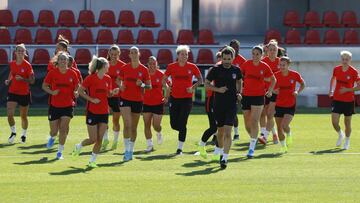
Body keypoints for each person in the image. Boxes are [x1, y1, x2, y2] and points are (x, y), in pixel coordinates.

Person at [72, 56, 119, 168]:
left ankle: (92, 161)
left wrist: (113, 92)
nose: (109, 66)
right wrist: (91, 99)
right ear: (103, 66)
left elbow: (107, 94)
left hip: (104, 112)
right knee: (92, 139)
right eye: (107, 64)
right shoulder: (90, 78)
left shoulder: (108, 79)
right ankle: (79, 146)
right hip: (92, 111)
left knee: (100, 139)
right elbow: (80, 91)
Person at [205, 46, 242, 169]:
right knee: (220, 133)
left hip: (231, 105)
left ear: (233, 58)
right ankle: (221, 153)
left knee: (227, 132)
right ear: (221, 58)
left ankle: (225, 158)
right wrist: (218, 89)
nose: (226, 61)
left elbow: (239, 81)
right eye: (224, 58)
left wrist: (239, 93)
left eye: (229, 59)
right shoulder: (215, 70)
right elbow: (206, 84)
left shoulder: (236, 70)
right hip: (218, 105)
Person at [163, 45, 203, 155]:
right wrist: (168, 86)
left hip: (187, 99)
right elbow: (164, 79)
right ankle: (182, 131)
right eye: (182, 54)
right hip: (174, 98)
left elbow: (200, 80)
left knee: (183, 123)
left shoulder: (192, 67)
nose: (185, 56)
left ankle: (179, 148)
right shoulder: (171, 66)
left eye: (186, 54)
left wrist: (193, 87)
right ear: (178, 55)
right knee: (174, 125)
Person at [42, 52, 79, 159]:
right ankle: (52, 137)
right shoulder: (52, 73)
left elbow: (77, 86)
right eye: (61, 59)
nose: (63, 61)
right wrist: (52, 92)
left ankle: (60, 152)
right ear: (58, 61)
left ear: (68, 61)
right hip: (54, 105)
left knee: (63, 129)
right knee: (54, 131)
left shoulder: (73, 73)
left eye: (65, 59)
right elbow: (44, 86)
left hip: (68, 105)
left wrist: (76, 92)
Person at [241, 46, 276, 158]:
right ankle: (254, 138)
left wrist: (270, 90)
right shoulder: (246, 64)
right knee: (247, 123)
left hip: (258, 96)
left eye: (257, 54)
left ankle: (251, 148)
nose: (255, 56)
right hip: (246, 96)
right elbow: (239, 76)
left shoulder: (264, 66)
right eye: (253, 54)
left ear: (261, 55)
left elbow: (273, 79)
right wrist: (239, 88)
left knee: (254, 120)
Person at [119, 46, 151, 161]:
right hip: (125, 98)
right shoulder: (124, 68)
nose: (133, 54)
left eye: (135, 52)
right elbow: (118, 80)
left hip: (137, 100)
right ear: (129, 55)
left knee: (133, 127)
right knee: (127, 124)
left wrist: (141, 84)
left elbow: (149, 86)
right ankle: (126, 150)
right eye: (131, 53)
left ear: (139, 54)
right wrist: (120, 85)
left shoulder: (144, 69)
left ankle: (131, 150)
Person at [329, 51, 360, 150]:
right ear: (341, 59)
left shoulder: (354, 72)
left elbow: (359, 86)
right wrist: (331, 90)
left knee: (347, 123)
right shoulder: (336, 69)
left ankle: (347, 140)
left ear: (350, 60)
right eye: (343, 59)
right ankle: (340, 134)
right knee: (334, 122)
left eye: (347, 59)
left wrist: (347, 89)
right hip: (337, 99)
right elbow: (333, 79)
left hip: (349, 101)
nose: (345, 61)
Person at [274, 56, 305, 153]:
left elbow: (303, 84)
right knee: (279, 127)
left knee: (284, 125)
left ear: (288, 65)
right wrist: (274, 91)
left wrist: (297, 91)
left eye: (284, 65)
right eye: (280, 65)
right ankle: (283, 146)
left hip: (290, 105)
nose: (282, 67)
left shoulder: (295, 75)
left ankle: (289, 133)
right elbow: (271, 88)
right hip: (278, 104)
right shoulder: (276, 76)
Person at [5, 44, 35, 144]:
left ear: (25, 53)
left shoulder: (28, 65)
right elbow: (11, 74)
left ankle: (23, 134)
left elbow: (32, 81)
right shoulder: (12, 64)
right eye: (18, 50)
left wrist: (22, 79)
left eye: (22, 51)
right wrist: (9, 80)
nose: (20, 52)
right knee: (9, 114)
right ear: (15, 52)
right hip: (12, 92)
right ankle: (13, 132)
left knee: (23, 116)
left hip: (24, 93)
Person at [101, 45, 126, 151]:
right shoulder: (104, 65)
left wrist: (118, 89)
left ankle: (115, 141)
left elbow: (125, 82)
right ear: (109, 54)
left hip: (117, 96)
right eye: (112, 54)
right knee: (104, 119)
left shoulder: (123, 66)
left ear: (119, 54)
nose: (114, 56)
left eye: (116, 54)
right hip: (105, 95)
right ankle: (105, 139)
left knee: (115, 120)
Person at [197, 51, 221, 160]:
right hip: (212, 100)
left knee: (223, 129)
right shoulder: (213, 70)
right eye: (220, 57)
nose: (222, 60)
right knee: (214, 127)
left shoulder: (231, 70)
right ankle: (202, 145)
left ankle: (217, 153)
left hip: (224, 102)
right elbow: (207, 86)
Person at [142, 56, 168, 152]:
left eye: (154, 63)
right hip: (146, 103)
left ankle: (159, 132)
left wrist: (166, 97)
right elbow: (139, 86)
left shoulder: (161, 74)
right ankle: (150, 145)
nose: (152, 65)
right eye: (150, 63)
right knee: (146, 125)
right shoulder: (144, 74)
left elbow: (168, 87)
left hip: (158, 103)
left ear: (156, 64)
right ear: (147, 64)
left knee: (156, 125)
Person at [258, 40, 280, 145]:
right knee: (264, 113)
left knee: (270, 114)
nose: (272, 51)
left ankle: (265, 136)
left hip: (276, 92)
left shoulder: (280, 62)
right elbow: (261, 77)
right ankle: (273, 133)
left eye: (274, 50)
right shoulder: (264, 61)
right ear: (267, 51)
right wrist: (271, 81)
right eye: (270, 50)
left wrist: (276, 87)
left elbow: (283, 77)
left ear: (277, 51)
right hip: (265, 91)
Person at [229, 40, 246, 141]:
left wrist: (240, 90)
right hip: (226, 89)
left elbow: (244, 77)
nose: (236, 49)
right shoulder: (226, 59)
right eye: (234, 47)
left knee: (234, 111)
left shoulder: (242, 61)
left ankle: (236, 133)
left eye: (237, 47)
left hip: (237, 90)